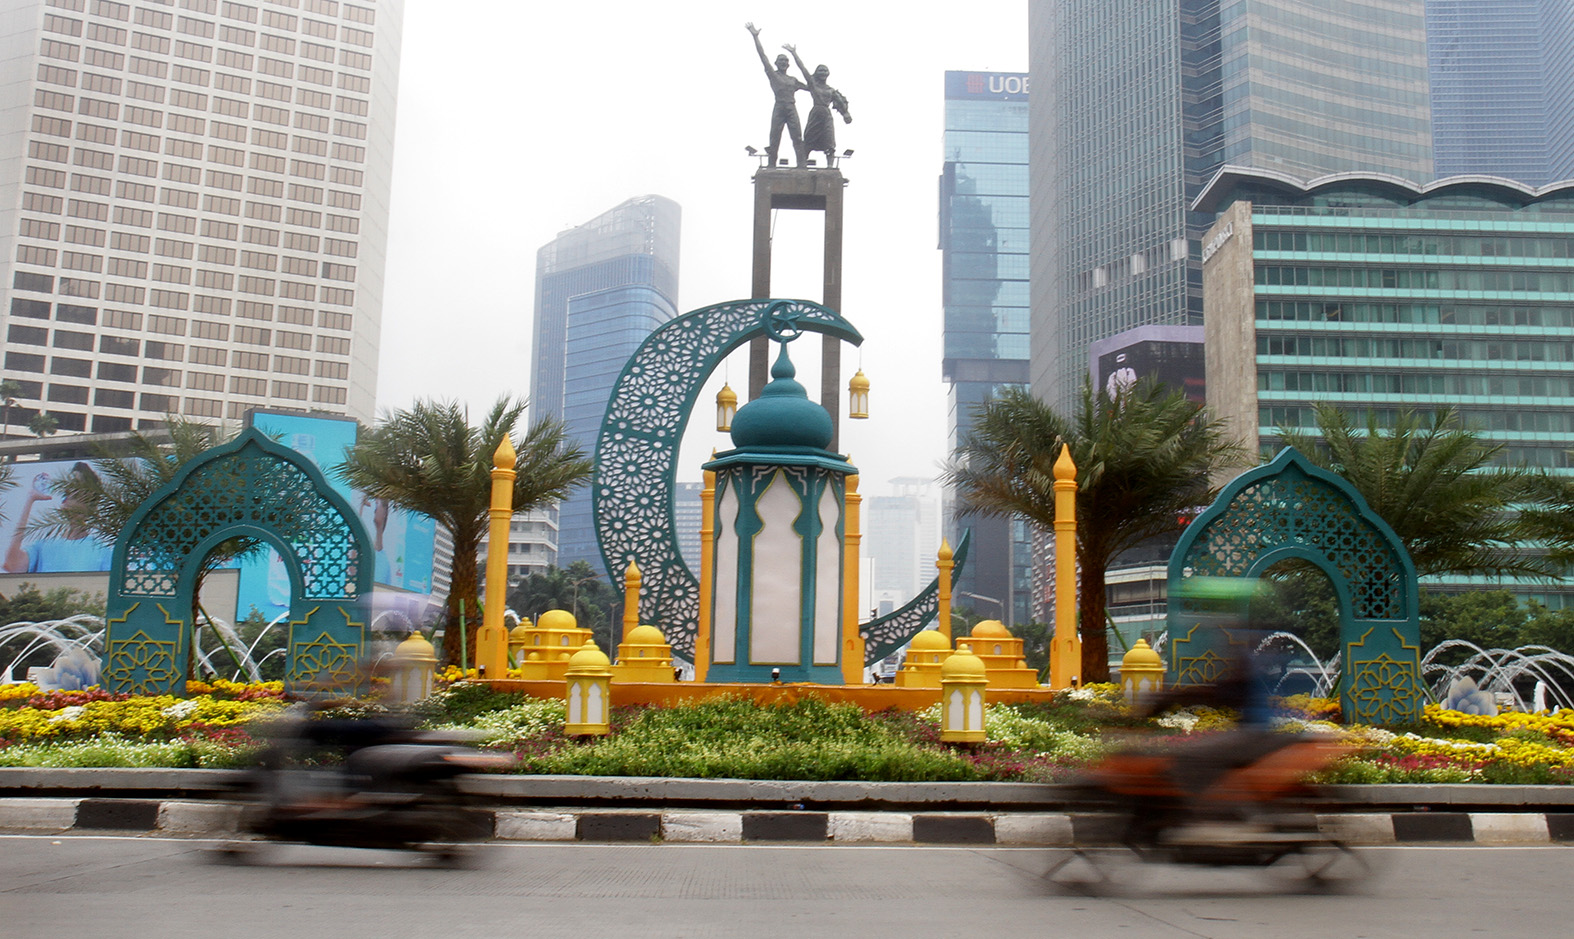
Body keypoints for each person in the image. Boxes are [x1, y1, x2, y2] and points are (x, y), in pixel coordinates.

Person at [3, 463, 113, 574]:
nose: (68, 490)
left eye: (75, 486)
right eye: (67, 486)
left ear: (90, 499)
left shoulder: (102, 551)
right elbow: (12, 565)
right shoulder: (43, 546)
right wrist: (30, 499)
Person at [745, 23, 806, 168]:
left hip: (791, 107)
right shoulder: (773, 75)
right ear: (776, 63)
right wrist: (755, 37)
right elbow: (763, 56)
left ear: (788, 64)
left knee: (797, 136)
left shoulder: (793, 80)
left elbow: (812, 86)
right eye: (781, 61)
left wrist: (795, 54)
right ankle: (771, 163)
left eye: (786, 61)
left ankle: (801, 164)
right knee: (775, 137)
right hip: (779, 107)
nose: (783, 63)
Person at [784, 42, 852, 169]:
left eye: (825, 70)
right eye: (820, 70)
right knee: (808, 139)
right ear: (816, 73)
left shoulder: (831, 90)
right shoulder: (813, 85)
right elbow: (803, 69)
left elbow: (840, 102)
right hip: (816, 113)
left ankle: (830, 166)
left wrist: (846, 114)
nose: (823, 72)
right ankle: (802, 164)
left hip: (827, 115)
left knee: (829, 141)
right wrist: (794, 53)